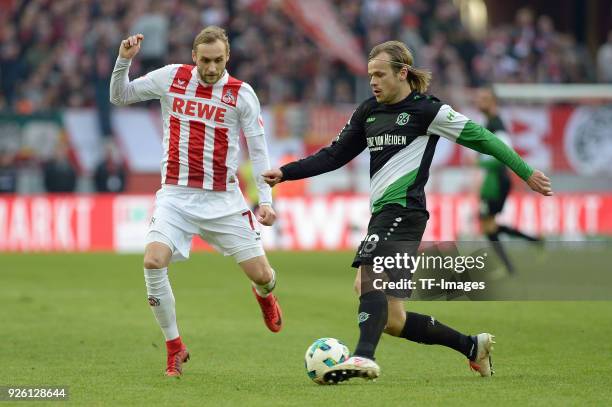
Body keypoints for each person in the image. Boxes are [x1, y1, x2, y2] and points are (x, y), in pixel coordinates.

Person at [263, 40, 552, 383]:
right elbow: (334, 155)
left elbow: (482, 138)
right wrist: (286, 172)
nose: (373, 81)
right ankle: (472, 347)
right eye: (370, 74)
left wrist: (525, 171)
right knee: (393, 318)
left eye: (380, 74)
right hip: (384, 214)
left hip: (404, 211)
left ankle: (363, 357)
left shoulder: (427, 111)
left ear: (402, 74)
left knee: (368, 277)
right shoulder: (368, 111)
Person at [110, 26, 283, 377]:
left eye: (218, 60)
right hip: (176, 196)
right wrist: (122, 61)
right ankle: (174, 347)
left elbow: (259, 149)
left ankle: (264, 294)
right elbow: (120, 95)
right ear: (193, 57)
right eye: (205, 60)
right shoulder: (171, 78)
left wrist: (265, 200)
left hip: (225, 200)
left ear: (228, 58)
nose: (211, 67)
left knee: (263, 275)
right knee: (153, 261)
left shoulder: (241, 94)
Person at [474, 87, 542, 274]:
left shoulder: (497, 125)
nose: (479, 101)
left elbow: (505, 153)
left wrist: (480, 161)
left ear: (493, 102)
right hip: (494, 180)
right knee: (489, 225)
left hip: (496, 181)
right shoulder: (490, 122)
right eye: (478, 98)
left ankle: (509, 266)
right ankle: (532, 242)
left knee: (487, 225)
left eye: (484, 98)